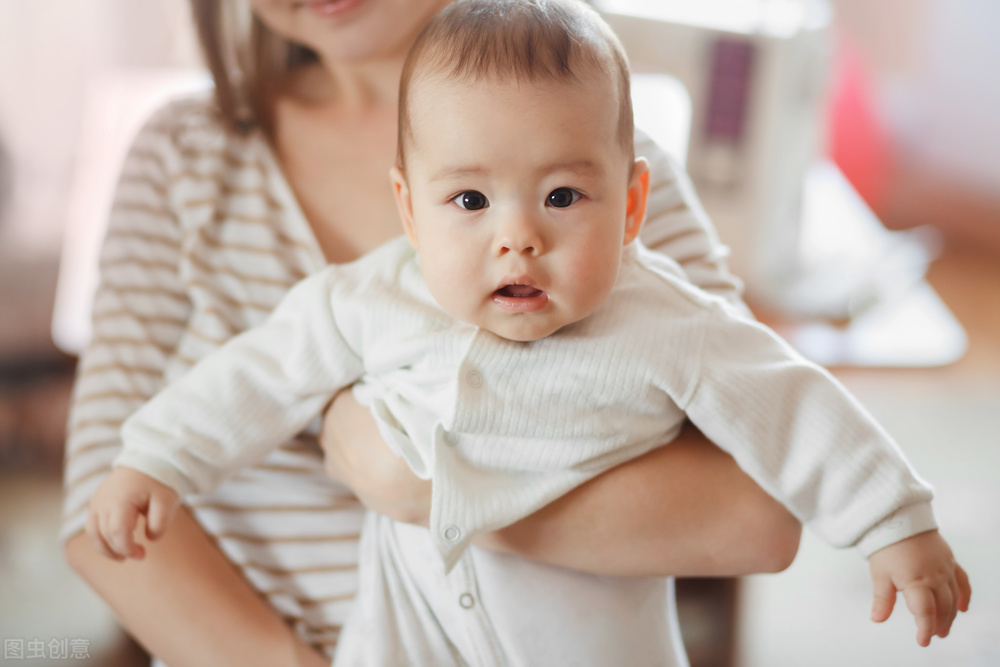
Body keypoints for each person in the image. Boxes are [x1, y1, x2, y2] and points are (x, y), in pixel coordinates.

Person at [84, 1, 970, 664]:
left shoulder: (648, 288)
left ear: (627, 205)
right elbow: (243, 384)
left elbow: (777, 450)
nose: (518, 238)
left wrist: (896, 520)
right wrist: (158, 456)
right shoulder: (355, 289)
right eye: (467, 200)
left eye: (559, 197)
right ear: (410, 206)